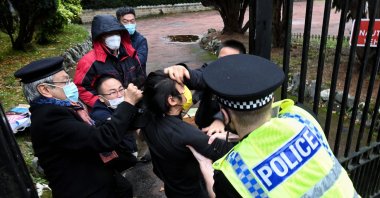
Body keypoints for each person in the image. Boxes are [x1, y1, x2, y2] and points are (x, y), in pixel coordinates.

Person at [181, 54, 358, 197]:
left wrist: (205, 165)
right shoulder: (302, 116)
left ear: (224, 114)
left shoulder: (234, 175)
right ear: (272, 99)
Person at [14, 56, 143, 197]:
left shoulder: (63, 107)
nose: (72, 85)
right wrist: (128, 103)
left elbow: (88, 132)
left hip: (101, 179)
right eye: (65, 81)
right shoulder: (49, 117)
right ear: (45, 90)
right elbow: (102, 139)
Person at [141, 70, 237, 198]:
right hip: (193, 192)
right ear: (172, 100)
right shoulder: (187, 134)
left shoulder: (147, 119)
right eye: (182, 86)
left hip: (172, 187)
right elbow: (230, 151)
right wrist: (234, 136)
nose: (186, 89)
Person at [74, 14, 145, 108]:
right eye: (109, 34)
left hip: (134, 104)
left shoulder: (130, 53)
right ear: (100, 37)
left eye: (116, 33)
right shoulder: (88, 61)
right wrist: (101, 104)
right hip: (109, 109)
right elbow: (81, 88)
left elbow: (141, 78)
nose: (114, 37)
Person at [194, 39, 246, 133]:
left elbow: (243, 106)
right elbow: (199, 77)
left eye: (230, 60)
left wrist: (220, 119)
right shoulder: (211, 69)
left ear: (241, 62)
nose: (223, 64)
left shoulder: (246, 81)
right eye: (221, 59)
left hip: (229, 132)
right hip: (204, 126)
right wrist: (183, 71)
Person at [91, 75, 138, 172]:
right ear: (101, 98)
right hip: (120, 155)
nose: (120, 95)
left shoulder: (127, 100)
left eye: (121, 89)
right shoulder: (99, 115)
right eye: (113, 92)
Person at [116, 7, 148, 73]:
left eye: (132, 21)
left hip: (138, 79)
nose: (129, 24)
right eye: (125, 22)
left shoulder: (141, 40)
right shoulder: (114, 39)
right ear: (118, 23)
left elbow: (139, 61)